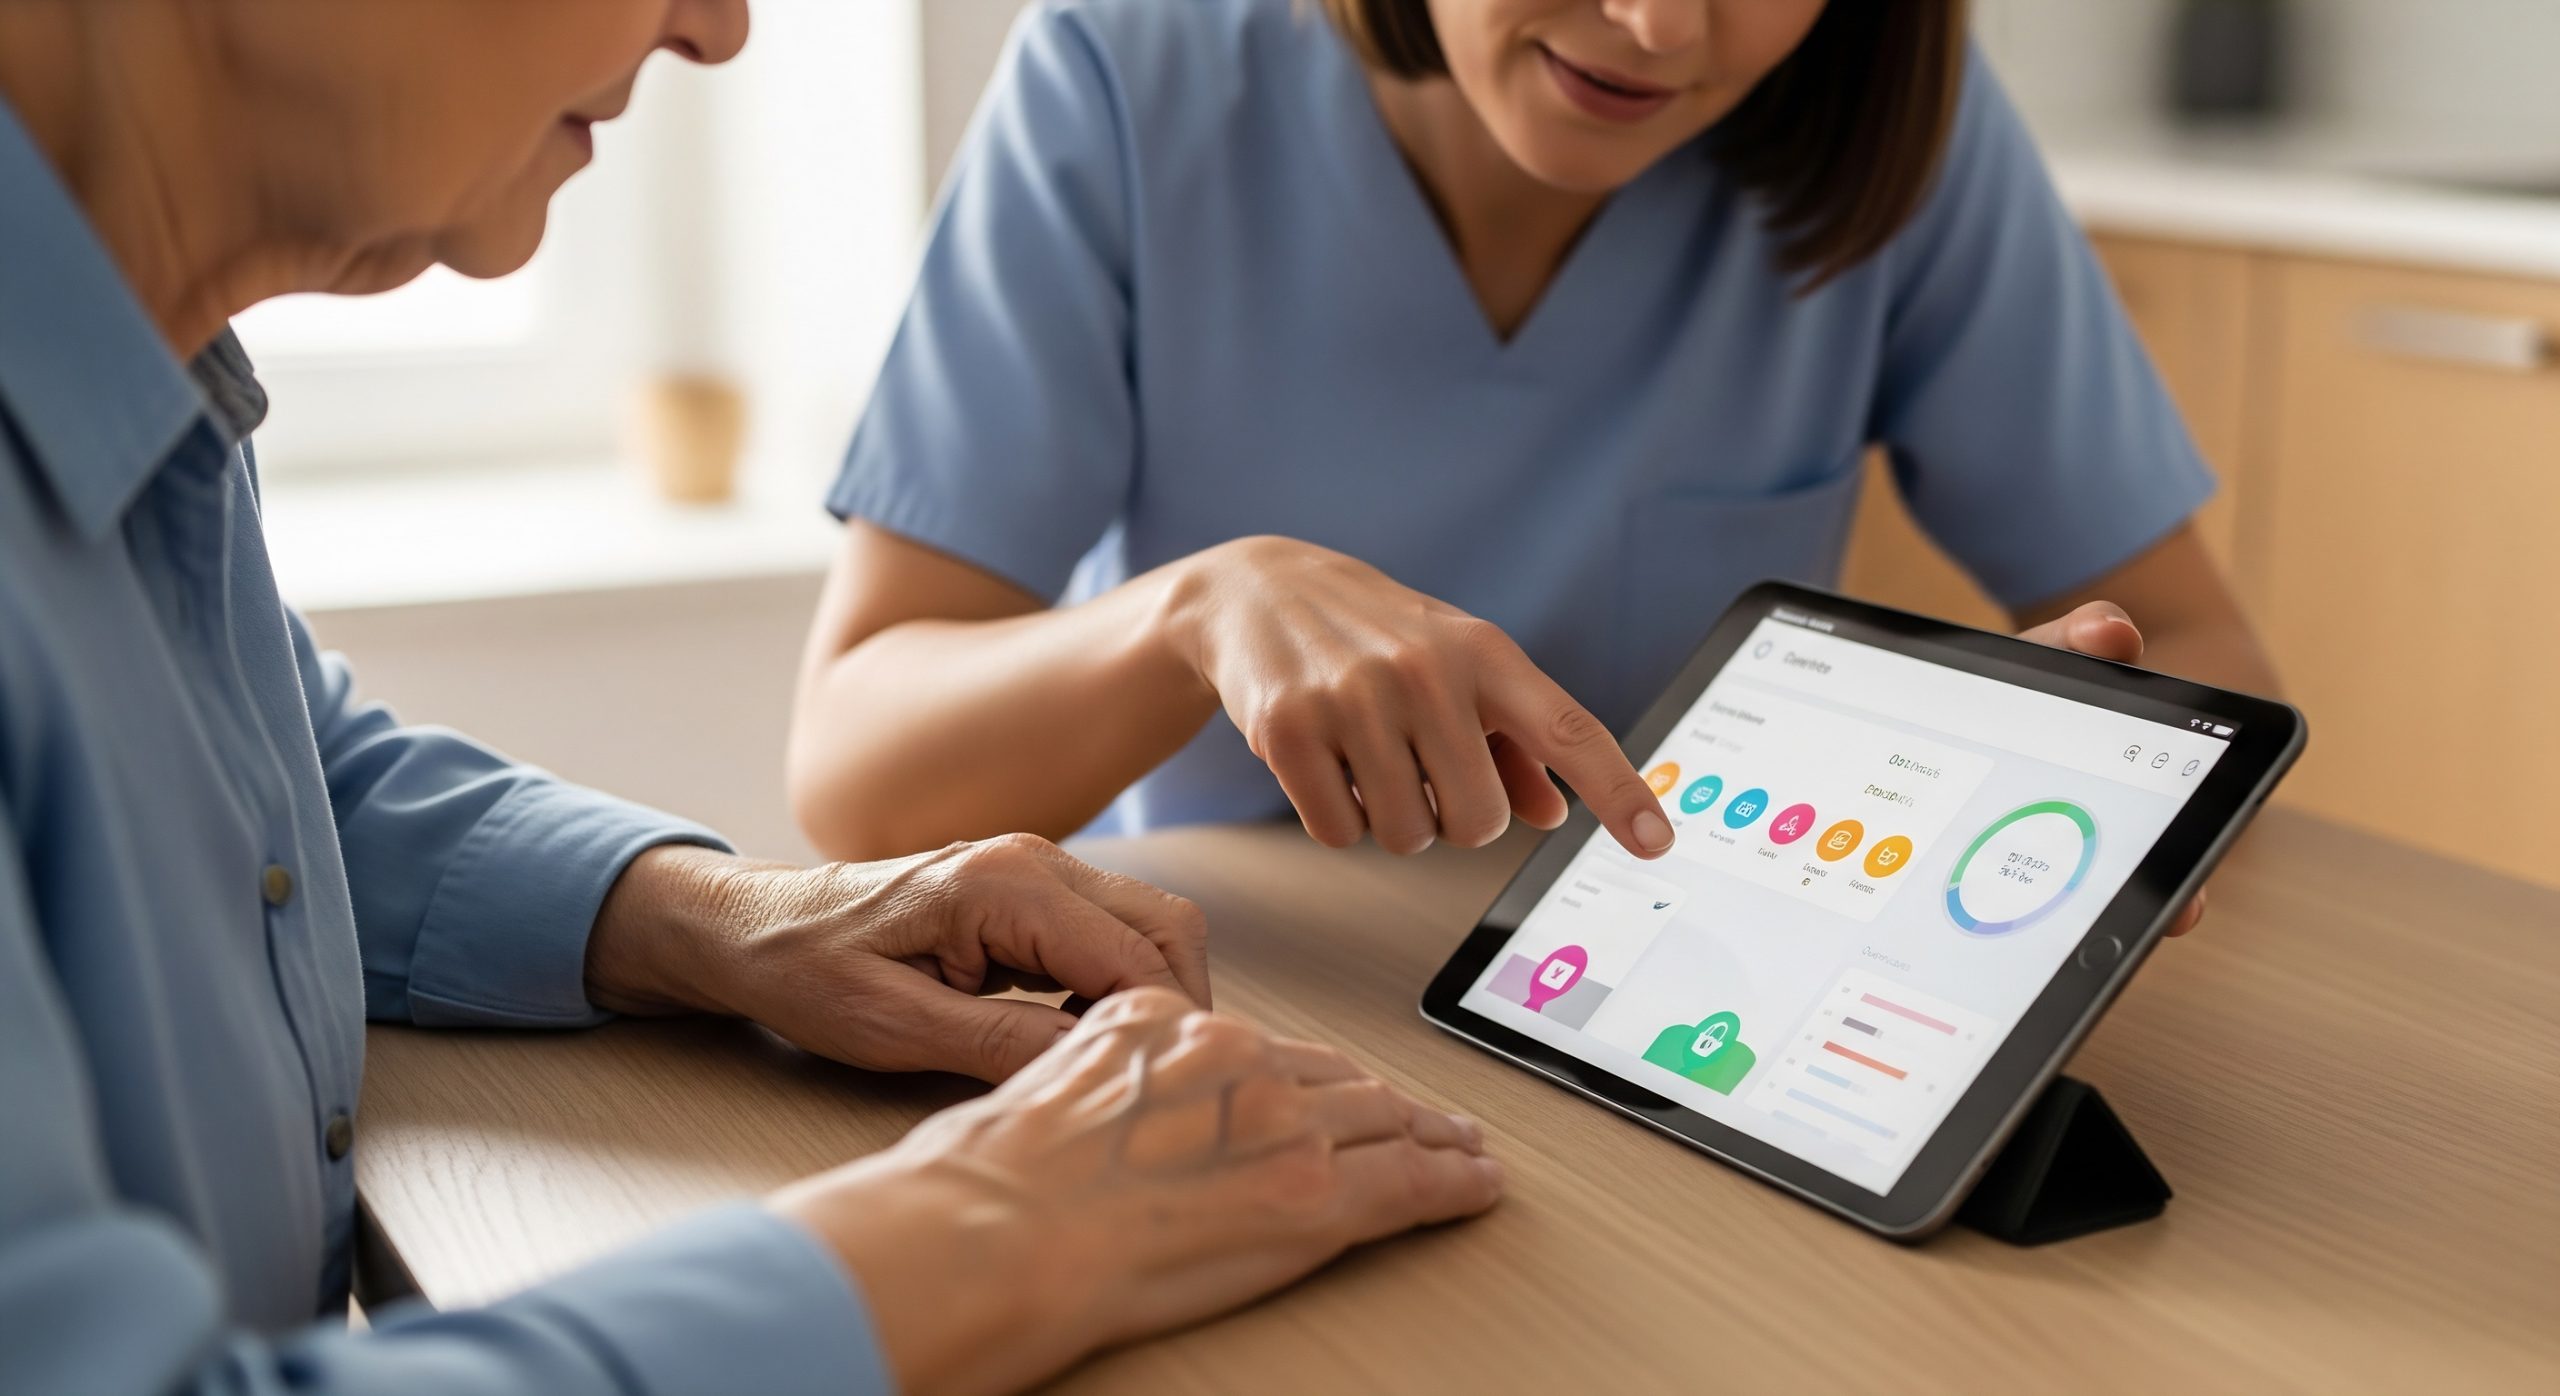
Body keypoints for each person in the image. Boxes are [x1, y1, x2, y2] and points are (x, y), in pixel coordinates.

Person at [0, 3, 1499, 1394]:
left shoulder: (140, 355)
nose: (719, 26)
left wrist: (719, 921)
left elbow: (277, 786)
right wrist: (997, 1223)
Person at [788, 0, 2282, 890]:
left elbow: (2206, 652)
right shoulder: (1131, 65)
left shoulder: (1903, 140)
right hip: (1244, 1008)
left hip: (1685, 1036)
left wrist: (2082, 771)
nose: (1659, 26)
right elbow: (859, 776)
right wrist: (1192, 614)